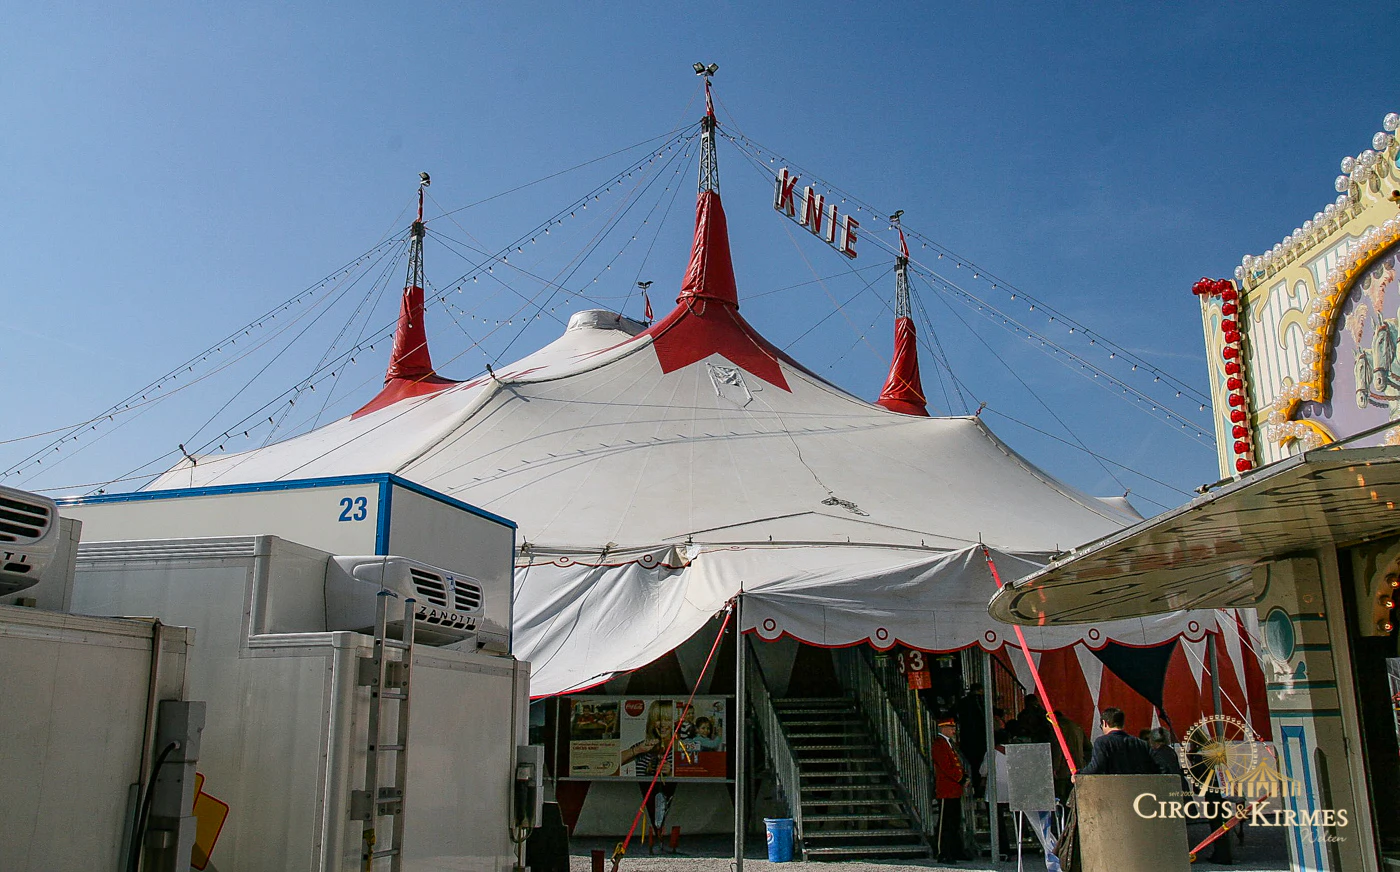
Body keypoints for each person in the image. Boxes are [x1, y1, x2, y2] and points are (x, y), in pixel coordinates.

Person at [1076, 707, 1158, 776]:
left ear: (1105, 723)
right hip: (1137, 788)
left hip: (1113, 787)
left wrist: (1079, 774)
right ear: (1122, 724)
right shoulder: (1141, 743)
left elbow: (1096, 767)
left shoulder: (1102, 742)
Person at [932, 717, 969, 863]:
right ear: (943, 728)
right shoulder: (939, 744)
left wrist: (963, 777)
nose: (954, 730)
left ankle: (955, 850)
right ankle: (942, 852)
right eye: (951, 727)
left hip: (953, 789)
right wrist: (961, 778)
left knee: (954, 822)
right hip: (946, 789)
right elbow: (946, 766)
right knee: (945, 823)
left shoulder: (948, 744)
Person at [1050, 710, 1089, 803]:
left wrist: (1055, 768)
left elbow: (1058, 749)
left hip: (1063, 769)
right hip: (1078, 767)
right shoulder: (1076, 727)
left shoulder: (1057, 728)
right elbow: (1088, 748)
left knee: (1062, 798)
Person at [1147, 727, 1187, 794]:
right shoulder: (1170, 751)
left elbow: (1162, 772)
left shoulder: (1158, 754)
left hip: (1170, 788)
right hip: (1180, 785)